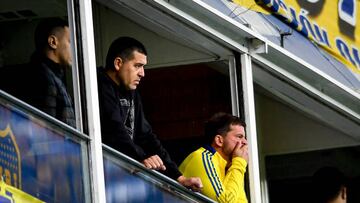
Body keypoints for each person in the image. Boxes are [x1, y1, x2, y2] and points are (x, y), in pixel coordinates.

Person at [97, 36, 202, 191]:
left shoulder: (131, 92)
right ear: (118, 63)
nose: (142, 74)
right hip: (102, 177)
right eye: (137, 66)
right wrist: (142, 157)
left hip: (122, 177)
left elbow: (146, 136)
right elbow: (114, 131)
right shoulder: (98, 85)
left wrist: (178, 177)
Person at [179, 112, 249, 203]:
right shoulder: (202, 157)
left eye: (244, 138)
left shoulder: (230, 168)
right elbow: (225, 201)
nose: (245, 142)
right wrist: (239, 163)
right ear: (219, 140)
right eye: (239, 137)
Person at [19, 17, 75, 127]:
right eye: (70, 42)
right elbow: (46, 129)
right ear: (53, 42)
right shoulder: (43, 76)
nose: (74, 49)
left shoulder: (54, 76)